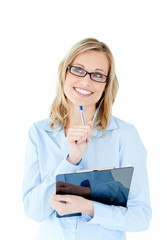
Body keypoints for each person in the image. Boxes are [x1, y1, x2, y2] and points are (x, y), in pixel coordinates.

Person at [22, 38, 152, 240]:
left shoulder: (124, 135)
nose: (86, 81)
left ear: (106, 85)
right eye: (78, 70)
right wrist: (70, 161)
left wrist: (89, 207)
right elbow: (33, 210)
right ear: (64, 72)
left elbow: (141, 216)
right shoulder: (39, 132)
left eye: (98, 75)